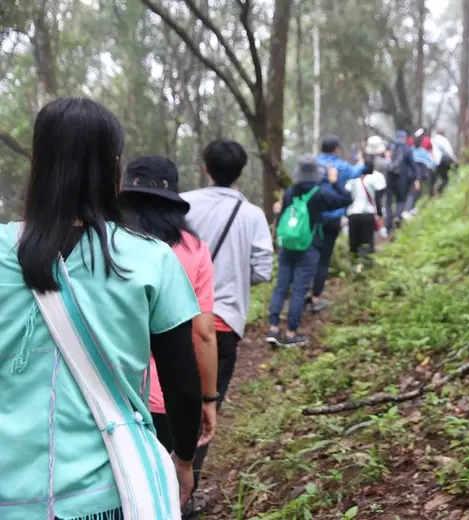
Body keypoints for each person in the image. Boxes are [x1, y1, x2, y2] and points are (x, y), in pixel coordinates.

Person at [0, 98, 202, 520]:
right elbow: (182, 384)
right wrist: (183, 458)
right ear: (114, 169)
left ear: (37, 163)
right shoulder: (149, 259)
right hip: (110, 490)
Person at [181, 138, 273, 493]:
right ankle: (188, 492)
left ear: (205, 167)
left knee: (166, 400)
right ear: (240, 172)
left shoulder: (184, 204)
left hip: (176, 319)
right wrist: (233, 275)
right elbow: (263, 269)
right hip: (223, 324)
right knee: (207, 407)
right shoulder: (252, 215)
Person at [120, 155, 219, 455]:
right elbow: (203, 333)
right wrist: (208, 399)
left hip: (109, 394)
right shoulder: (194, 249)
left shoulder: (103, 244)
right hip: (164, 398)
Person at [267, 155, 352, 346]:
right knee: (299, 290)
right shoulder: (319, 193)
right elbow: (346, 199)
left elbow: (282, 215)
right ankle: (290, 333)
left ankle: (273, 328)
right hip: (309, 246)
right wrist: (335, 181)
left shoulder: (289, 192)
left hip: (287, 246)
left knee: (281, 286)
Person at [313, 135, 364, 313]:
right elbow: (358, 171)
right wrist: (361, 159)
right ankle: (316, 296)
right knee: (324, 257)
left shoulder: (314, 164)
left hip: (314, 216)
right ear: (336, 149)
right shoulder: (341, 166)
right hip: (334, 217)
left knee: (311, 254)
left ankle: (304, 291)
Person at [345, 153, 387, 261]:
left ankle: (354, 266)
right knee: (367, 244)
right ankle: (366, 267)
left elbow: (346, 197)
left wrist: (344, 215)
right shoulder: (374, 179)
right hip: (368, 214)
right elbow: (378, 199)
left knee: (354, 244)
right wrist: (380, 215)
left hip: (353, 214)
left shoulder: (351, 179)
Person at [385, 130, 417, 232]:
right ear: (404, 138)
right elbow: (413, 164)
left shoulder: (390, 147)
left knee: (389, 202)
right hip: (401, 179)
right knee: (401, 200)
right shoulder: (407, 148)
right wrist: (415, 178)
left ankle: (388, 227)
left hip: (389, 178)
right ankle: (397, 217)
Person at [407, 128, 435, 214]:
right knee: (421, 188)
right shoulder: (425, 146)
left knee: (415, 189)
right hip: (422, 170)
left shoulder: (411, 147)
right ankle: (414, 206)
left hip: (413, 170)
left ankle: (411, 207)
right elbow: (430, 160)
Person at [431, 127, 457, 196]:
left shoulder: (432, 139)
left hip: (432, 162)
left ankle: (432, 194)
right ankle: (439, 191)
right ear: (442, 132)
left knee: (433, 180)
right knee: (445, 179)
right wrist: (454, 159)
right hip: (441, 162)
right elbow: (448, 150)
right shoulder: (443, 139)